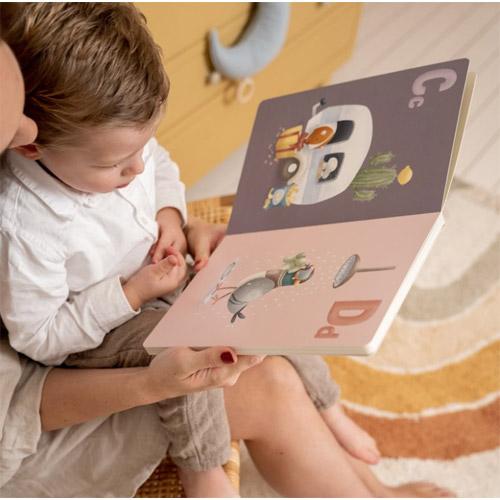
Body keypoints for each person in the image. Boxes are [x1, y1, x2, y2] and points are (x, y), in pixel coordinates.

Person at [0, 27, 454, 498]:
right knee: (191, 343)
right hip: (98, 333)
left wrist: (171, 217)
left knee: (270, 288)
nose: (136, 169)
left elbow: (159, 169)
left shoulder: (106, 146)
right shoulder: (25, 228)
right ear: (28, 143)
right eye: (115, 164)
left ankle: (329, 408)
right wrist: (132, 293)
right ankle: (204, 466)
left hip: (155, 280)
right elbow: (42, 339)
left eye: (141, 149)